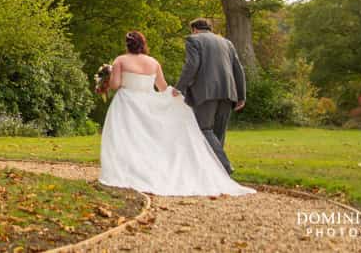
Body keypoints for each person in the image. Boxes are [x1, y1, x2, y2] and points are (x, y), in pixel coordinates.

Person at [98, 30, 254, 196]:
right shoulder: (153, 63)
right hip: (148, 103)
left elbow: (115, 85)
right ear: (143, 44)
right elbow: (163, 87)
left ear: (127, 45)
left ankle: (127, 172)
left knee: (125, 138)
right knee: (146, 140)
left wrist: (106, 80)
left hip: (126, 103)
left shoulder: (120, 60)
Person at [173, 17, 246, 174]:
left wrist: (180, 87)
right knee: (219, 132)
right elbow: (238, 69)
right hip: (229, 91)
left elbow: (192, 65)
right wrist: (241, 95)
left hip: (206, 91)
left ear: (194, 29)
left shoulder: (193, 40)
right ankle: (216, 172)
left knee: (204, 128)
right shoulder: (227, 42)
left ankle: (224, 166)